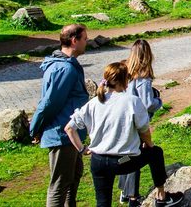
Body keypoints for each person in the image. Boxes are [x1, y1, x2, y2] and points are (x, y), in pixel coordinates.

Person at [64, 62, 183, 207]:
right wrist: (149, 145)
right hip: (123, 161)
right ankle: (161, 197)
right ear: (125, 80)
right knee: (156, 153)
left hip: (98, 161)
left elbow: (69, 128)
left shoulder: (94, 103)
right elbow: (144, 130)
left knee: (102, 202)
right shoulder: (132, 101)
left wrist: (82, 149)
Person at [29, 23, 90, 207]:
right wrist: (36, 128)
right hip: (62, 134)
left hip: (71, 135)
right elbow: (49, 104)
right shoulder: (65, 69)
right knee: (60, 184)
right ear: (74, 41)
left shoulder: (69, 65)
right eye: (85, 39)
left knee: (73, 178)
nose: (87, 42)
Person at [118, 40, 163, 205]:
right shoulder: (143, 77)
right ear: (148, 55)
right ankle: (133, 197)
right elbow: (147, 103)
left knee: (126, 155)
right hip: (136, 123)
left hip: (123, 120)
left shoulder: (126, 72)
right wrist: (159, 101)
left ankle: (125, 190)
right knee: (134, 156)